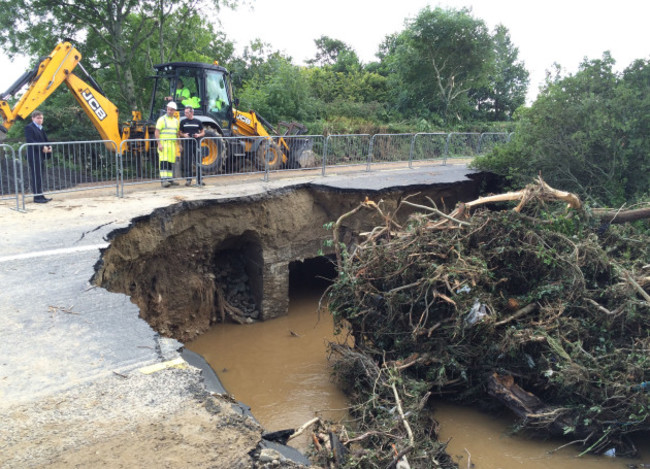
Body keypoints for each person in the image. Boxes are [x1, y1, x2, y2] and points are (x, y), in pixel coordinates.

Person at [24, 110, 53, 203]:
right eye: (38, 118)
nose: (40, 120)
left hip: (41, 155)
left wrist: (49, 146)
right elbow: (30, 141)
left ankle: (41, 195)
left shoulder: (41, 128)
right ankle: (36, 197)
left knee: (40, 176)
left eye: (41, 118)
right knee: (36, 176)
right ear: (33, 118)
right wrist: (42, 147)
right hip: (33, 155)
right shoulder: (29, 127)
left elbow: (45, 139)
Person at [155, 101, 180, 187]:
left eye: (171, 110)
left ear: (174, 111)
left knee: (170, 162)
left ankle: (170, 179)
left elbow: (177, 133)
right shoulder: (162, 119)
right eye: (168, 109)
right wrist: (159, 144)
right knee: (163, 162)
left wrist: (178, 144)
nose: (169, 111)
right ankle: (163, 180)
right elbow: (157, 132)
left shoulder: (176, 121)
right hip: (164, 143)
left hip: (172, 144)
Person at [179, 105, 205, 186]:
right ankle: (188, 180)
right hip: (187, 144)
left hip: (196, 144)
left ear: (191, 112)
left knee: (198, 161)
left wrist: (199, 135)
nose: (185, 114)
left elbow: (203, 132)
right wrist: (184, 135)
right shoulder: (183, 122)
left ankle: (199, 179)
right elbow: (179, 133)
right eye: (185, 112)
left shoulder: (198, 121)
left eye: (187, 112)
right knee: (188, 162)